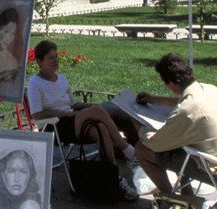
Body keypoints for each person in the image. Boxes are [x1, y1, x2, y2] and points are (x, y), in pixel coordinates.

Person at [26, 39, 139, 199]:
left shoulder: (62, 78)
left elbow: (73, 104)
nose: (56, 60)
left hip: (74, 119)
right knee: (99, 111)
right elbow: (37, 115)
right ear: (39, 61)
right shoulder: (35, 83)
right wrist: (63, 113)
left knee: (102, 129)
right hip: (57, 125)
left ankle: (115, 179)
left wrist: (87, 106)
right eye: (51, 58)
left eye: (56, 56)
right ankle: (127, 150)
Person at [134, 52, 217, 196]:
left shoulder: (187, 110)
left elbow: (155, 144)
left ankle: (171, 198)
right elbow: (183, 101)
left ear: (171, 84)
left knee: (142, 149)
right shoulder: (211, 89)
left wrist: (140, 128)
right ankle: (187, 193)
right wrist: (154, 99)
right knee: (182, 143)